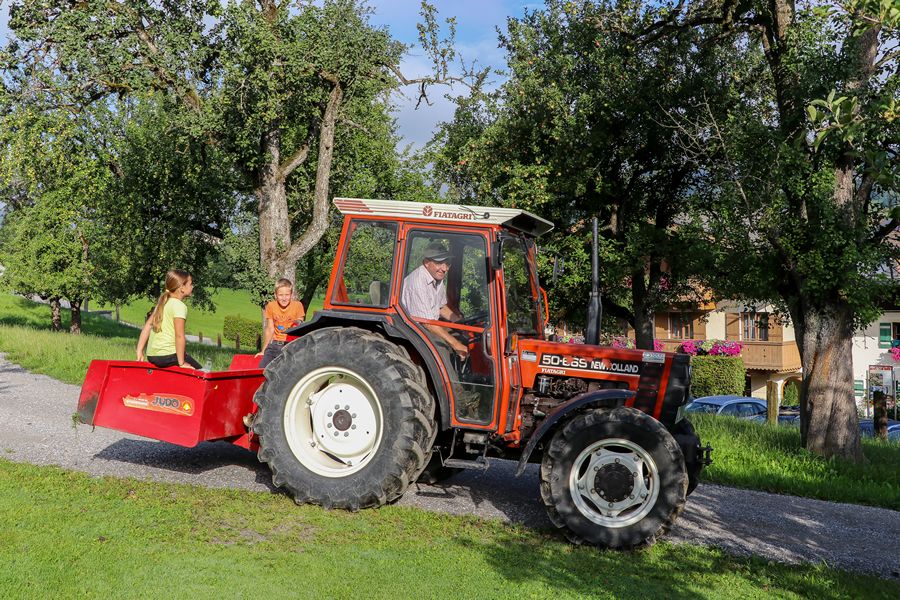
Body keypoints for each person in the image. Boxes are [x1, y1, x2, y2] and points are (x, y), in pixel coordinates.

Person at [400, 240, 468, 359]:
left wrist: (460, 323)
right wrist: (456, 344)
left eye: (447, 263)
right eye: (439, 263)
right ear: (427, 262)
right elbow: (426, 323)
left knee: (460, 336)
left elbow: (440, 307)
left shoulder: (436, 278)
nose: (444, 268)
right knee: (444, 347)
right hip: (414, 331)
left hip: (428, 324)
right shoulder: (418, 283)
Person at [136, 269, 202, 369]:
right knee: (201, 373)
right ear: (182, 288)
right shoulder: (179, 306)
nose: (193, 286)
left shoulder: (162, 303)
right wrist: (181, 363)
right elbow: (179, 336)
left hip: (152, 356)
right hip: (169, 356)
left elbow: (147, 327)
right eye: (190, 284)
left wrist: (139, 351)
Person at [255, 278, 306, 368]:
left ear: (291, 295)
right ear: (275, 295)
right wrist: (263, 351)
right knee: (263, 368)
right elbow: (270, 329)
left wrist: (297, 322)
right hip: (274, 345)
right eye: (281, 295)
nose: (284, 298)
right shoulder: (271, 306)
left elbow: (300, 324)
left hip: (290, 345)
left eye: (287, 295)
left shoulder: (298, 305)